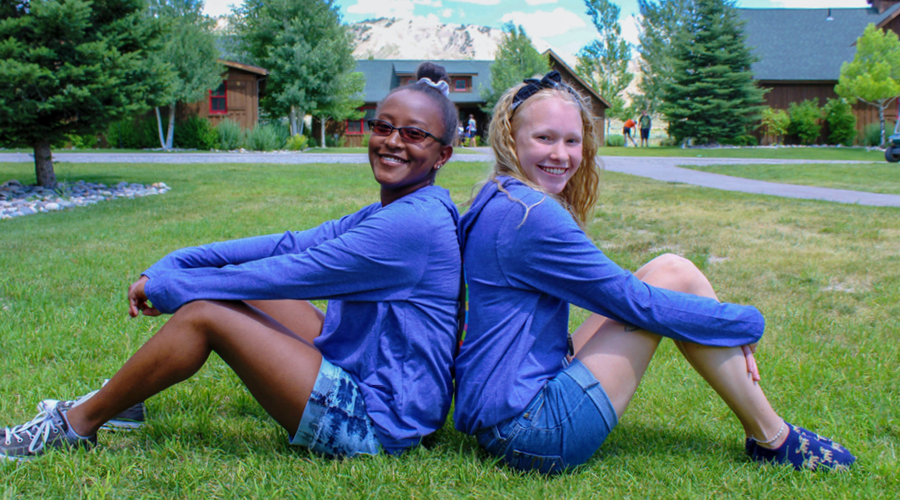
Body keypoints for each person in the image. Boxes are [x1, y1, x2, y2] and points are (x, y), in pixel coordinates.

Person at [1, 64, 462, 461]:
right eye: (382, 126)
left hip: (381, 425)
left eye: (414, 133)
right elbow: (286, 246)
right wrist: (176, 261)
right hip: (363, 372)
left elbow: (291, 273)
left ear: (442, 153)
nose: (392, 141)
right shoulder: (393, 210)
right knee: (229, 286)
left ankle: (74, 426)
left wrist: (170, 288)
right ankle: (122, 400)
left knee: (206, 311)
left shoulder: (413, 225)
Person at [453, 71, 855, 475]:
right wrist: (745, 322)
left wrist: (717, 322)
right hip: (531, 432)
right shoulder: (529, 215)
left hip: (508, 398)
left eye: (572, 140)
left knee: (667, 268)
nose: (561, 154)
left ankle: (766, 430)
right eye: (544, 138)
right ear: (510, 137)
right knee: (672, 279)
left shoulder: (498, 196)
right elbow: (634, 302)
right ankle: (773, 437)